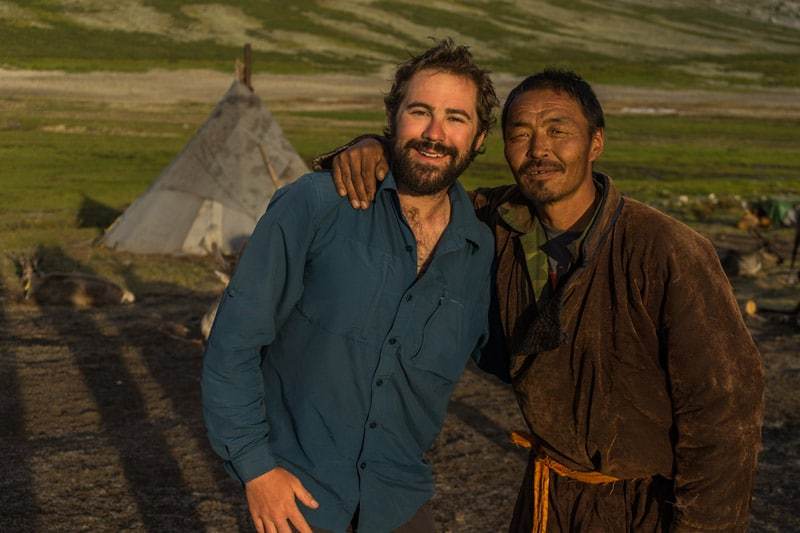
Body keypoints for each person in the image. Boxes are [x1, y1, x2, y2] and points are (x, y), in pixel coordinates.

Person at [315, 69, 764, 532]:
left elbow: (726, 410)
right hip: (547, 502)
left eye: (558, 130)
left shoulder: (664, 249)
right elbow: (423, 188)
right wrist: (372, 147)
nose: (539, 149)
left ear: (595, 143)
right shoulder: (492, 224)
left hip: (647, 508)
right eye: (521, 134)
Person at [201, 39, 498, 533]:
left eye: (456, 118)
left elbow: (509, 358)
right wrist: (256, 468)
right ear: (392, 117)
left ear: (480, 137)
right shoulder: (316, 205)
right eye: (419, 111)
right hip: (299, 498)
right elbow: (233, 342)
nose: (434, 133)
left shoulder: (479, 248)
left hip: (399, 499)